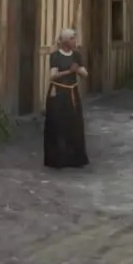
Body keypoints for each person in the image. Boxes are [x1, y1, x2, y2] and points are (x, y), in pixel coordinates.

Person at [44, 28, 90, 169]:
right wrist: (69, 71)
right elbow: (53, 76)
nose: (75, 41)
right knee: (58, 124)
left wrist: (78, 70)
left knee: (74, 124)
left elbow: (85, 74)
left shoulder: (76, 55)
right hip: (58, 94)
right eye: (72, 38)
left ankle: (74, 158)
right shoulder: (55, 56)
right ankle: (57, 159)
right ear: (65, 41)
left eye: (75, 38)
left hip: (72, 94)